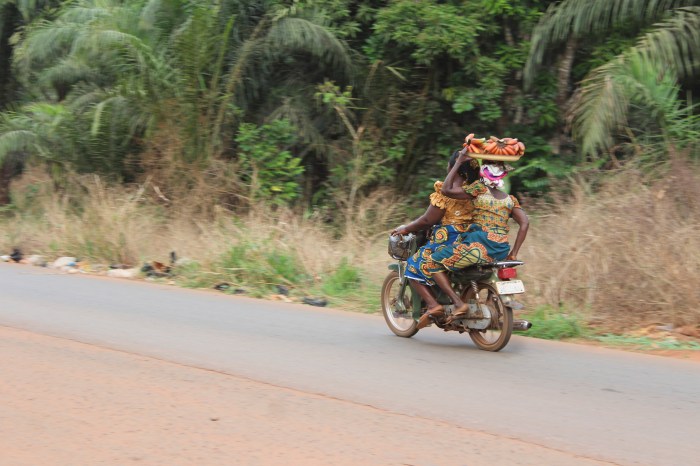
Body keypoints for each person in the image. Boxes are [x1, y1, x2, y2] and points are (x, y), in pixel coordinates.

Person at [420, 148, 528, 319]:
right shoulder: (510, 199)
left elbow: (446, 190)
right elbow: (524, 223)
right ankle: (490, 300)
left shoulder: (478, 189)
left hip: (478, 246)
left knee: (432, 262)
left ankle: (458, 303)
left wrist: (458, 162)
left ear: (483, 172)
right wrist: (514, 252)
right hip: (500, 249)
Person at [391, 151, 480, 329]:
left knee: (413, 265)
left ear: (453, 168)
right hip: (470, 238)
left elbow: (427, 220)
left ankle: (434, 305)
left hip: (448, 239)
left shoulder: (446, 192)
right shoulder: (477, 189)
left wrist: (406, 228)